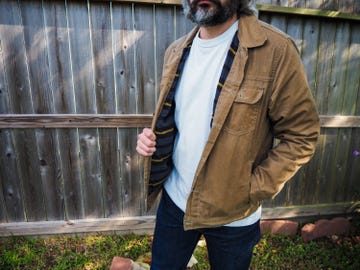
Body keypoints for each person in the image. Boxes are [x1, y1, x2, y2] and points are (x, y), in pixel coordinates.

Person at [136, 0, 320, 269]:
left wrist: (251, 189)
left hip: (234, 215)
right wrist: (152, 141)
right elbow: (180, 121)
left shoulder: (275, 51)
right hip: (175, 202)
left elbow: (302, 136)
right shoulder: (176, 51)